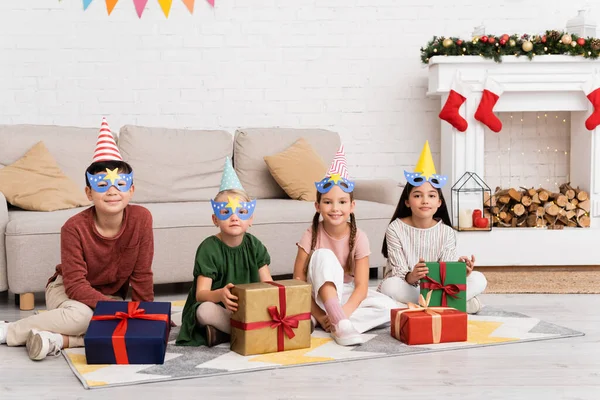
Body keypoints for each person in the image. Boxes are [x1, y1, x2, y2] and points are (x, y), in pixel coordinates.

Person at [0, 117, 154, 360]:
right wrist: (114, 308)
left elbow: (142, 274)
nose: (112, 191)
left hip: (108, 295)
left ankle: (59, 340)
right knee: (83, 317)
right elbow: (75, 285)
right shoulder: (74, 227)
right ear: (88, 193)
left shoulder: (142, 219)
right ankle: (10, 329)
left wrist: (148, 316)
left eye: (120, 185)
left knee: (124, 323)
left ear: (131, 190)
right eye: (102, 185)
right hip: (68, 291)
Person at [293, 145, 399, 346]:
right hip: (317, 295)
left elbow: (361, 286)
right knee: (324, 255)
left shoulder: (359, 237)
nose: (335, 208)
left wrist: (343, 313)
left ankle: (335, 322)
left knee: (389, 308)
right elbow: (298, 281)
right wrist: (316, 309)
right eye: (328, 202)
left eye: (342, 202)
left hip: (344, 294)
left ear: (352, 206)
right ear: (317, 206)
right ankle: (333, 320)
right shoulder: (311, 234)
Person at [378, 141, 487, 314]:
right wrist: (413, 276)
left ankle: (415, 306)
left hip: (437, 286)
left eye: (431, 195)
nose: (425, 200)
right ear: (407, 202)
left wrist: (460, 272)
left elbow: (446, 271)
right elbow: (399, 272)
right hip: (408, 285)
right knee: (389, 286)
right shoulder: (395, 228)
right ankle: (450, 304)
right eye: (417, 195)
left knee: (479, 279)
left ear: (439, 202)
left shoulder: (446, 232)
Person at [176, 157, 272, 347]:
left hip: (248, 308)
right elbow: (201, 294)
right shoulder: (209, 248)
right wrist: (220, 295)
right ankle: (251, 331)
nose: (234, 217)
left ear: (250, 219)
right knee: (204, 311)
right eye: (225, 212)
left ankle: (227, 333)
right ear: (215, 219)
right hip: (219, 307)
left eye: (241, 213)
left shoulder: (255, 245)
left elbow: (268, 284)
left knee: (275, 308)